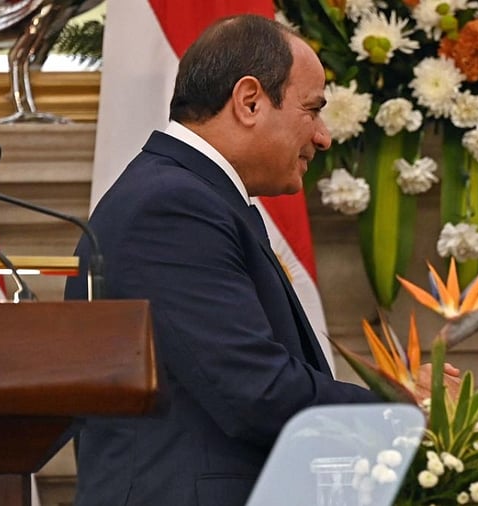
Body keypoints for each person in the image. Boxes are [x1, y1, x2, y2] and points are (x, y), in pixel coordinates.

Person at [64, 14, 380, 506]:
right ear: (249, 101)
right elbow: (257, 391)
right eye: (312, 110)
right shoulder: (171, 206)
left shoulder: (188, 194)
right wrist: (402, 409)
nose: (323, 137)